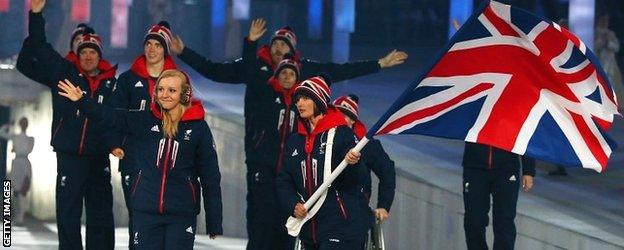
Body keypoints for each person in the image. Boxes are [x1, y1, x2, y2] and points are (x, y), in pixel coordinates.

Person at [171, 19, 407, 250]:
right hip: (261, 164)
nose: (279, 48)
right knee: (261, 221)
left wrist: (379, 64)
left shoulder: (308, 81)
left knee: (288, 225)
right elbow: (216, 71)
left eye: (285, 45)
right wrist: (187, 52)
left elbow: (339, 70)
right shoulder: (257, 75)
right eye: (276, 43)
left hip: (300, 175)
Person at [57, 69, 223, 249]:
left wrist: (214, 221)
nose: (165, 95)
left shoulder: (198, 128)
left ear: (184, 94)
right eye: (161, 89)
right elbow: (109, 115)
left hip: (181, 215)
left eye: (172, 90)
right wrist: (82, 101)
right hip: (145, 212)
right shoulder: (145, 120)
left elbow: (210, 177)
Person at [16, 0, 117, 248]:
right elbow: (39, 47)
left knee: (101, 214)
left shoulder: (113, 84)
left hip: (99, 156)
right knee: (68, 213)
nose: (88, 56)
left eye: (93, 51)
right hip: (70, 155)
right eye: (83, 52)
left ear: (100, 55)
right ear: (77, 55)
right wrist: (36, 15)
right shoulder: (64, 74)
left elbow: (123, 118)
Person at [276, 76, 372, 250]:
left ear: (319, 101)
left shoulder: (342, 134)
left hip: (338, 224)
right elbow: (284, 180)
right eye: (298, 99)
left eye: (306, 98)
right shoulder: (295, 140)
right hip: (308, 227)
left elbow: (355, 180)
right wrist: (293, 205)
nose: (299, 103)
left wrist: (353, 163)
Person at [108, 20, 178, 249]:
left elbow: (188, 117)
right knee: (137, 218)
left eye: (158, 45)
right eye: (148, 43)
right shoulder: (128, 79)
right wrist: (114, 143)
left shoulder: (177, 80)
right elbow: (114, 114)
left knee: (161, 220)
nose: (152, 49)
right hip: (134, 159)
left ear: (165, 49)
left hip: (166, 162)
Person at [332, 94, 396, 222]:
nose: (338, 121)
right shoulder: (320, 140)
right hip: (325, 206)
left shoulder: (367, 145)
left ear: (353, 120)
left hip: (355, 208)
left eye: (343, 116)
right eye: (335, 116)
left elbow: (387, 172)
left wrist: (384, 206)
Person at [462, 142, 535, 250]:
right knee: (474, 221)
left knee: (504, 223)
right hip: (475, 166)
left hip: (507, 169)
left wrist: (528, 170)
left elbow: (525, 133)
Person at [0, 118, 34, 225]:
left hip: (24, 163)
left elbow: (27, 150)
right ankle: (16, 215)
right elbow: (2, 133)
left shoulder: (30, 139)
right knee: (14, 189)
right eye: (22, 123)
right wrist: (9, 124)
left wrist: (15, 148)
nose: (24, 125)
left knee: (22, 190)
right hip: (16, 163)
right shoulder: (15, 136)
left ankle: (21, 217)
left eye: (25, 123)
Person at [594, 14, 623, 111]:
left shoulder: (610, 33)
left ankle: (612, 105)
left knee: (613, 85)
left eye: (606, 21)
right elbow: (593, 47)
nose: (605, 23)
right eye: (603, 20)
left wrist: (608, 42)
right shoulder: (594, 32)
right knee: (600, 85)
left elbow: (617, 47)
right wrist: (601, 41)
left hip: (611, 64)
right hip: (599, 63)